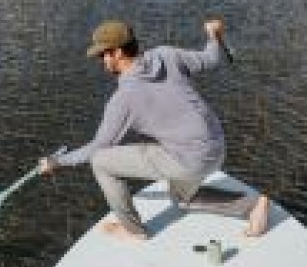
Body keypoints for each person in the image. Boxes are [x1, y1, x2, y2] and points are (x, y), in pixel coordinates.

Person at [40, 19, 270, 242]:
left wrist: (57, 162)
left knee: (100, 161)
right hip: (217, 146)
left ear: (117, 53)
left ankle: (133, 230)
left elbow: (98, 147)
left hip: (192, 159)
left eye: (103, 55)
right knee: (182, 199)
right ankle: (253, 205)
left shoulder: (123, 99)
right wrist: (213, 36)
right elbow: (211, 59)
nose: (102, 61)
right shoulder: (166, 55)